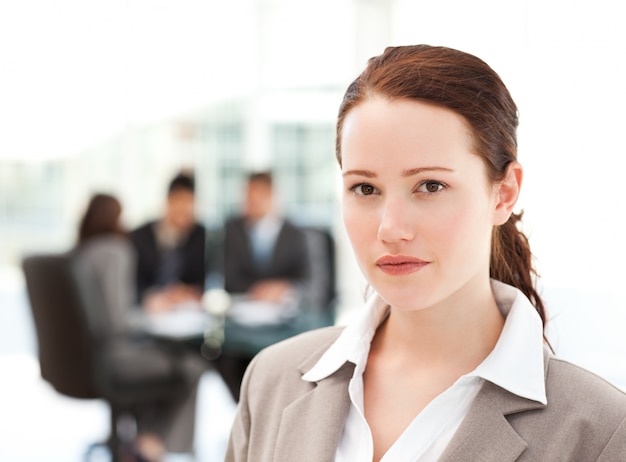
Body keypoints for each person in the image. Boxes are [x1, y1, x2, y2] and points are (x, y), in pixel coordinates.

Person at [225, 45, 626, 461]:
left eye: (430, 186)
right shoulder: (271, 381)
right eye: (365, 188)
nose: (390, 229)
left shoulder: (601, 431)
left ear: (503, 194)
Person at [75, 193, 206, 461]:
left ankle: (143, 442)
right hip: (115, 358)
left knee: (159, 362)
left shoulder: (81, 253)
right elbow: (118, 321)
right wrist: (148, 312)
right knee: (193, 364)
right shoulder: (114, 250)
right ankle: (150, 446)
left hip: (84, 362)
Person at [218, 170, 311, 401]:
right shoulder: (233, 230)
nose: (250, 202)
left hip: (284, 324)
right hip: (244, 323)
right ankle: (249, 414)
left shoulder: (295, 233)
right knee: (223, 357)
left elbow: (308, 280)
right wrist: (256, 291)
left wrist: (283, 288)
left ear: (271, 196)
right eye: (247, 196)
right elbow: (229, 279)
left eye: (257, 195)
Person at [130, 172, 207, 312]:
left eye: (190, 203)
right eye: (181, 202)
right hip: (148, 311)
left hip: (185, 311)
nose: (186, 209)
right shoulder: (140, 236)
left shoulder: (198, 234)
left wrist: (188, 291)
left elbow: (203, 278)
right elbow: (133, 284)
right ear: (169, 201)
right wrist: (154, 296)